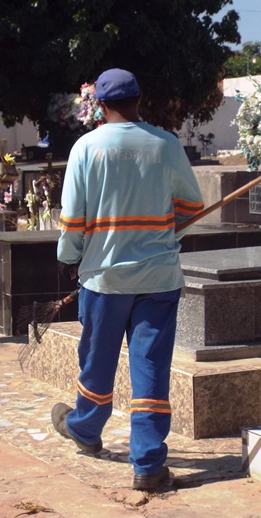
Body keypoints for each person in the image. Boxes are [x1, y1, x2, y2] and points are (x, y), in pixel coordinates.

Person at [52, 68, 204, 492]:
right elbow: (192, 206)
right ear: (140, 99)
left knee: (98, 361)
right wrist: (160, 231)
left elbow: (74, 221)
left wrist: (69, 257)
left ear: (100, 104)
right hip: (158, 277)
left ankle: (84, 427)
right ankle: (149, 463)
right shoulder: (166, 144)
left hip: (103, 279)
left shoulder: (87, 148)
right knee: (151, 369)